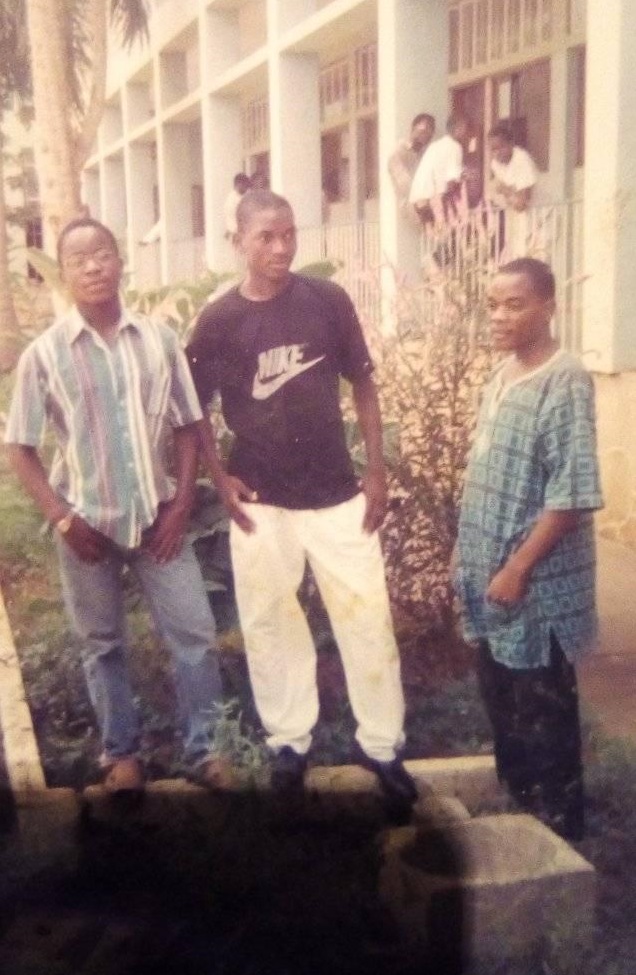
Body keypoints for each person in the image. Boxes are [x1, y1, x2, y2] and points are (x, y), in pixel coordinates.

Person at [186, 189, 417, 811]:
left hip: (337, 493)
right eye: (266, 236)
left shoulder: (327, 300)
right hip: (260, 500)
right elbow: (194, 407)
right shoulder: (220, 319)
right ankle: (289, 741)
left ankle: (382, 747)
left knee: (366, 617)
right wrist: (219, 476)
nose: (281, 247)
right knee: (270, 622)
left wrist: (376, 470)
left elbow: (363, 382)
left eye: (289, 233)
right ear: (238, 241)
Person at [5, 217, 232, 795]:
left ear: (120, 260)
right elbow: (19, 447)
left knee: (194, 633)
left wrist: (181, 505)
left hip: (158, 520)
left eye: (102, 253)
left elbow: (188, 424)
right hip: (85, 528)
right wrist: (61, 517)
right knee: (101, 644)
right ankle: (121, 755)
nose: (93, 266)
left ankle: (207, 750)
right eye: (78, 259)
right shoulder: (45, 355)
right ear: (64, 273)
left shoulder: (158, 341)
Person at [454, 257, 603, 841]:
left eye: (514, 305)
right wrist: (466, 554)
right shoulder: (503, 374)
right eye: (492, 305)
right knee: (503, 704)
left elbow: (572, 494)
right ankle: (518, 816)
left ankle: (561, 835)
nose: (498, 316)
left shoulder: (565, 380)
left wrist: (518, 566)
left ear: (549, 307)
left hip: (536, 587)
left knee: (545, 715)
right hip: (490, 578)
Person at [409, 113, 470, 230]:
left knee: (433, 236)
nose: (466, 132)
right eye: (465, 128)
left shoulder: (436, 145)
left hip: (418, 199)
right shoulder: (455, 146)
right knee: (450, 232)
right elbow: (452, 180)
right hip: (433, 198)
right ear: (459, 127)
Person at [488, 122, 538, 257]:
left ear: (511, 144)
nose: (497, 153)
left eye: (501, 147)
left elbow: (522, 203)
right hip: (518, 220)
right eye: (493, 149)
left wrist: (505, 190)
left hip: (539, 219)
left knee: (536, 261)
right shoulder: (495, 164)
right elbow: (500, 196)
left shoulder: (522, 160)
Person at [387, 113, 436, 219]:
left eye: (430, 132)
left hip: (427, 205)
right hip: (411, 208)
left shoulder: (425, 154)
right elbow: (405, 185)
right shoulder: (399, 152)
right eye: (424, 130)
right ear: (413, 128)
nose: (427, 135)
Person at [224, 172, 251, 239]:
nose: (246, 188)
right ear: (238, 184)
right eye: (245, 186)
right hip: (236, 233)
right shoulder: (233, 199)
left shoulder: (242, 196)